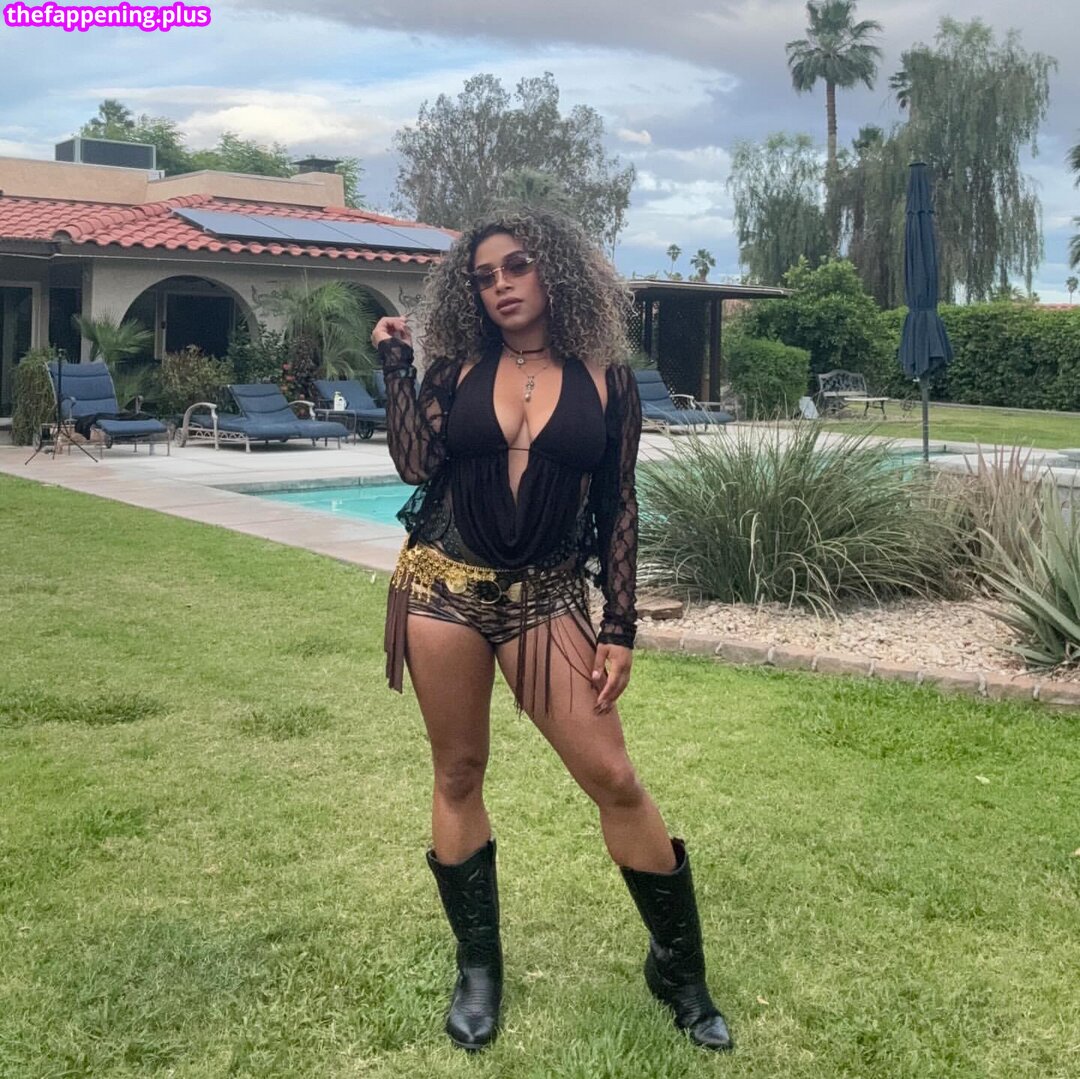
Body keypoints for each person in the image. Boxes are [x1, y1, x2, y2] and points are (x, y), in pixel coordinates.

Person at [371, 206, 732, 1053]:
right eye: (484, 276)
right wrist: (396, 366)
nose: (500, 285)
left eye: (517, 266)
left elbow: (618, 503)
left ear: (555, 271)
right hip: (444, 590)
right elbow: (416, 463)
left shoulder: (607, 379)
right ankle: (479, 971)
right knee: (458, 770)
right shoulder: (456, 369)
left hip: (545, 600)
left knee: (615, 776)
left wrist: (620, 625)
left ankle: (680, 971)